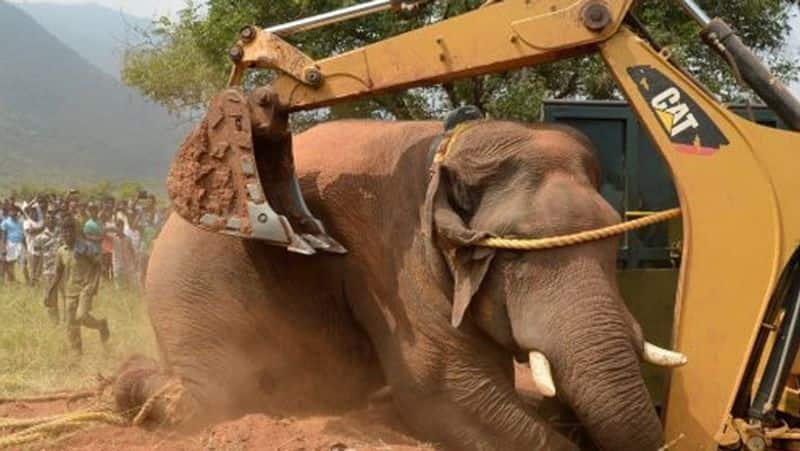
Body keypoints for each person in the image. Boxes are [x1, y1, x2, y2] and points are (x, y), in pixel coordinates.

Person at [45, 216, 110, 354]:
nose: (67, 235)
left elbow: (98, 265)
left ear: (75, 232)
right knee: (70, 325)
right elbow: (58, 273)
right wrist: (50, 292)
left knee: (81, 317)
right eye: (64, 232)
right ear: (61, 233)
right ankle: (77, 354)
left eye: (70, 232)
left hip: (85, 288)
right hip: (69, 291)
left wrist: (95, 285)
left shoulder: (84, 247)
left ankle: (100, 325)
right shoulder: (61, 251)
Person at [1, 207, 24, 283]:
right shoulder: (5, 222)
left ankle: (24, 280)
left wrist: (25, 244)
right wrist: (4, 247)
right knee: (9, 262)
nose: (13, 212)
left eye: (14, 211)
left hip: (19, 243)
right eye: (11, 211)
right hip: (10, 243)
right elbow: (3, 236)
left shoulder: (20, 221)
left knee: (22, 262)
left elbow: (22, 233)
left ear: (17, 212)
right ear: (9, 212)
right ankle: (10, 279)